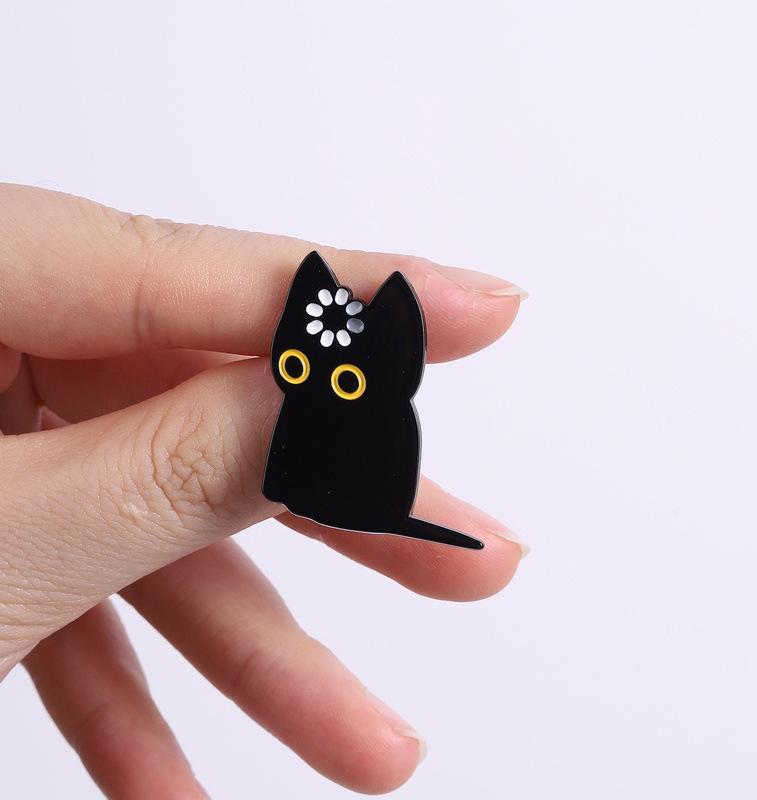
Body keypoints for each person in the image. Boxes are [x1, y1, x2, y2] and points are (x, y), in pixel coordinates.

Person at [0, 184, 528, 797]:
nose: (313, 383)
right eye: (297, 367)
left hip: (364, 488)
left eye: (343, 379)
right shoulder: (295, 399)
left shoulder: (379, 416)